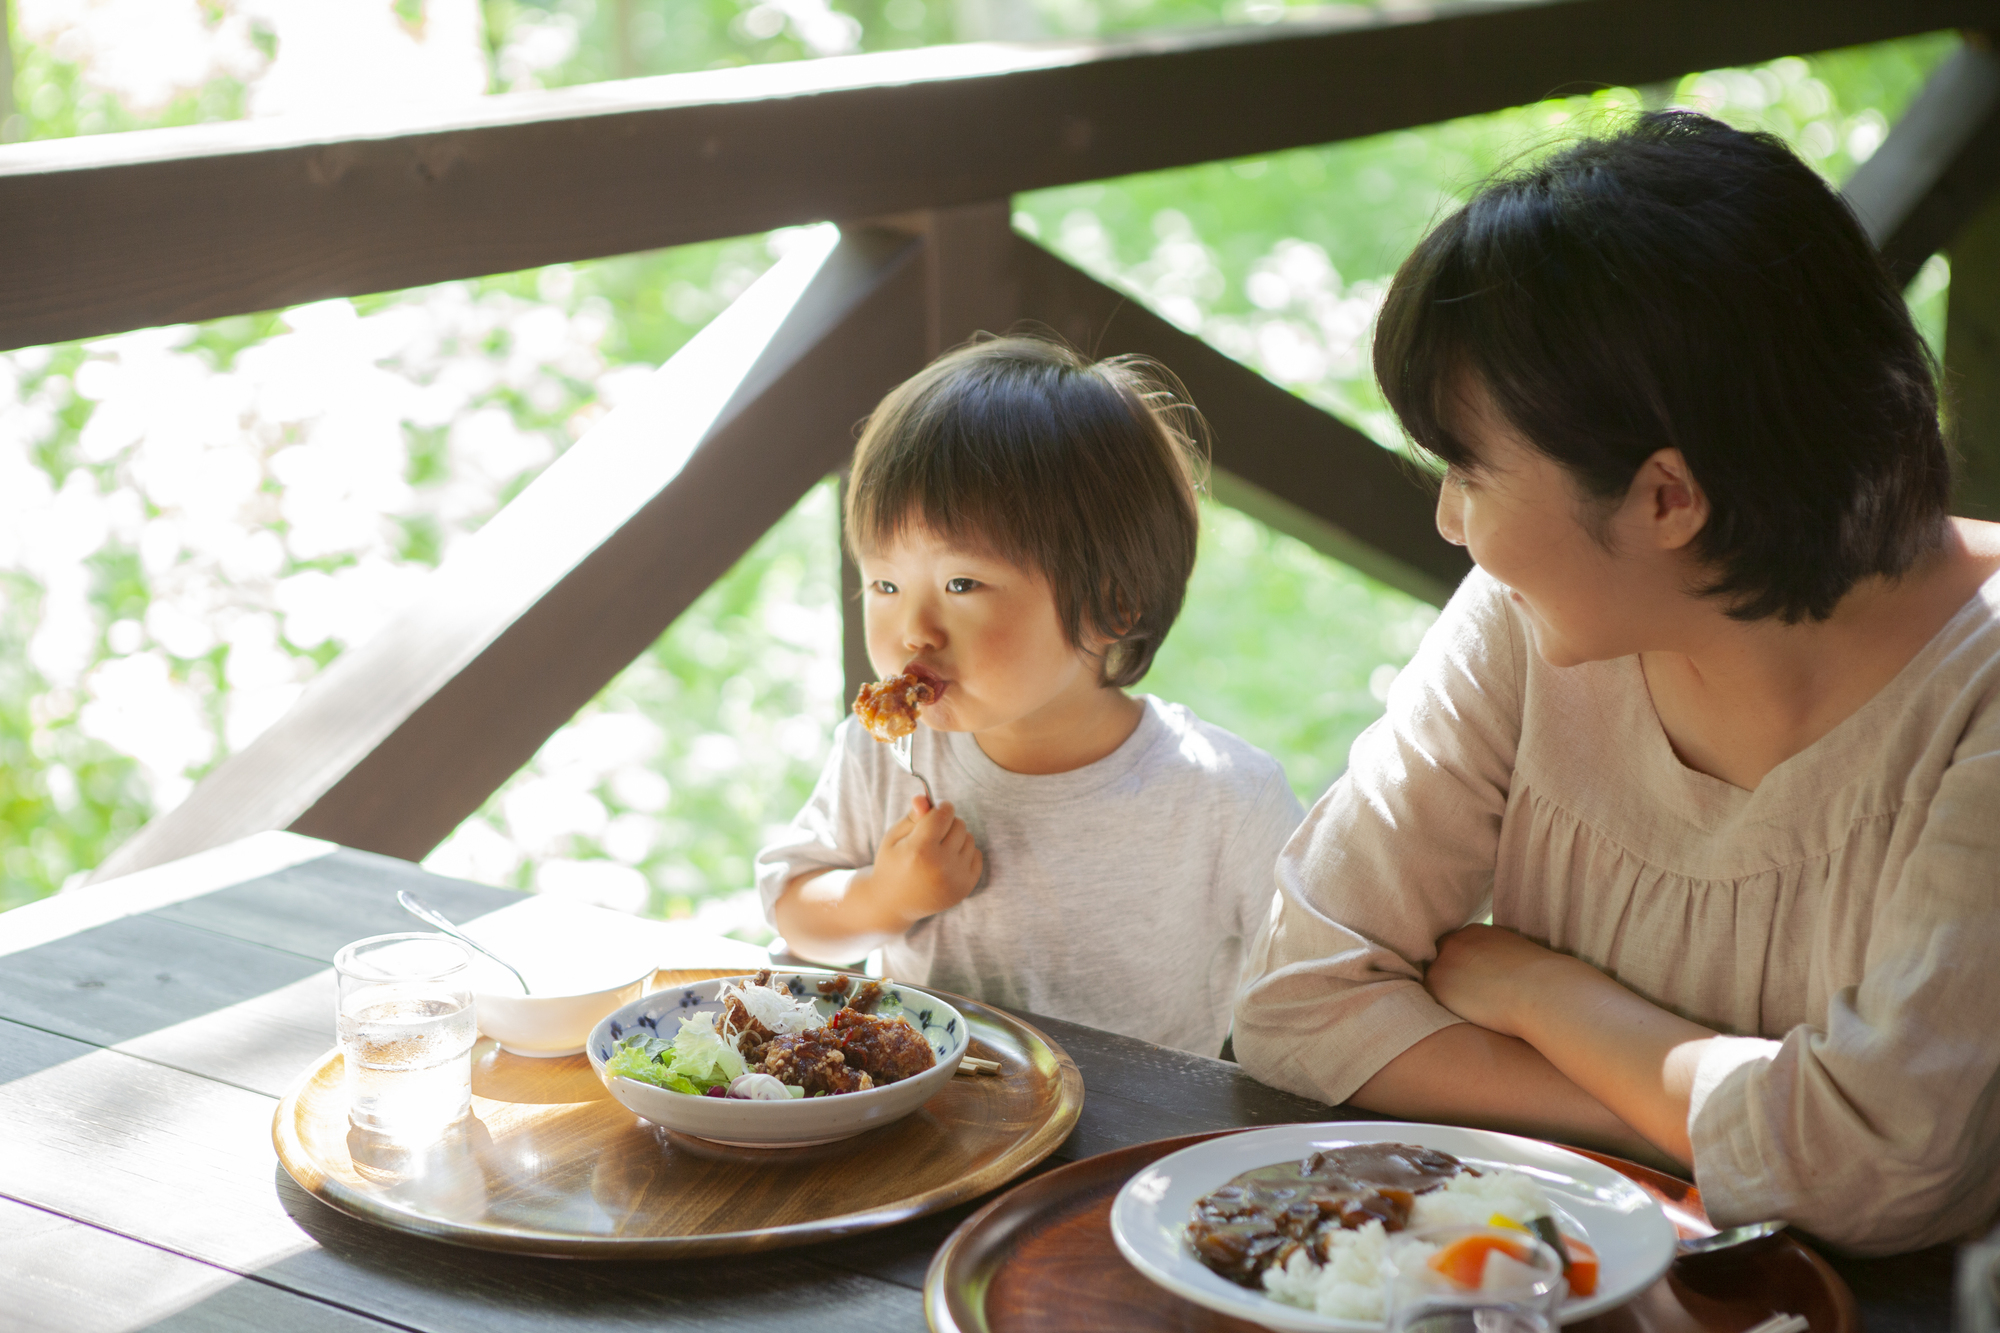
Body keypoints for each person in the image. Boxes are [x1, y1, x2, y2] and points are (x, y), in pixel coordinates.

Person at [1233, 110, 2000, 1254]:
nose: (1447, 521)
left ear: (1663, 499)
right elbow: (1294, 1001)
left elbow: (1884, 1178)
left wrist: (1541, 996)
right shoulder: (1532, 619)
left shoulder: (1974, 697)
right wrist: (1731, 1127)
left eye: (1465, 468)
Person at [757, 335, 1303, 1057]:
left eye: (962, 585)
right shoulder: (888, 748)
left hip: (1138, 1147)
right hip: (933, 1128)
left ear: (1113, 604)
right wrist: (885, 898)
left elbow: (1314, 989)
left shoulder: (1225, 800)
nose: (912, 630)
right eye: (885, 584)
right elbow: (797, 914)